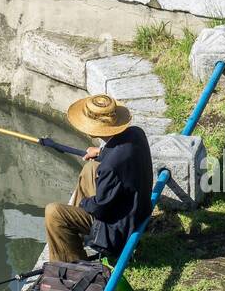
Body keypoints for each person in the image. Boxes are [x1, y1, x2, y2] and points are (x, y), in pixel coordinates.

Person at [43, 94, 154, 265]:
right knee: (90, 168)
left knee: (54, 213)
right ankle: (73, 234)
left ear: (92, 128)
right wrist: (101, 153)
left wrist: (84, 204)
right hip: (138, 206)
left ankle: (71, 266)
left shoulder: (110, 166)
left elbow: (101, 207)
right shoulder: (136, 133)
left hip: (119, 228)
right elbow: (121, 155)